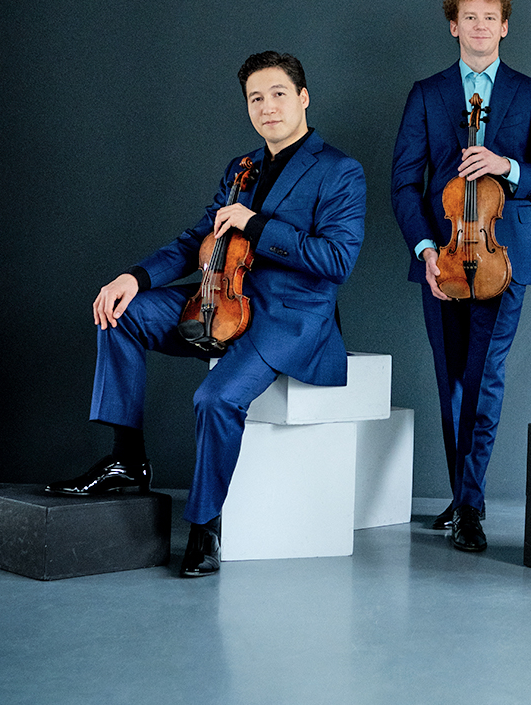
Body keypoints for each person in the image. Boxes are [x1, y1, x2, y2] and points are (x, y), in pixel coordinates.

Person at [47, 52, 366, 578]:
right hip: (217, 297)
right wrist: (135, 277)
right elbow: (198, 238)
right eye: (255, 98)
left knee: (214, 398)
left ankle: (205, 525)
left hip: (285, 316)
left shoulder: (339, 171)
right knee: (120, 314)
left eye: (278, 94)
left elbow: (337, 261)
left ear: (303, 98)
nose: (267, 107)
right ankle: (127, 456)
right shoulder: (241, 168)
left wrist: (258, 224)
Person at [391, 0, 531, 552]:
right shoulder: (426, 93)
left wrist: (506, 165)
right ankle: (464, 494)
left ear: (505, 26)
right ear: (454, 26)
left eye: (491, 17)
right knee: (452, 383)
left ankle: (471, 504)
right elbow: (403, 184)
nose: (481, 26)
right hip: (442, 258)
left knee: (483, 379)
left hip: (503, 258)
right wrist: (425, 252)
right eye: (469, 17)